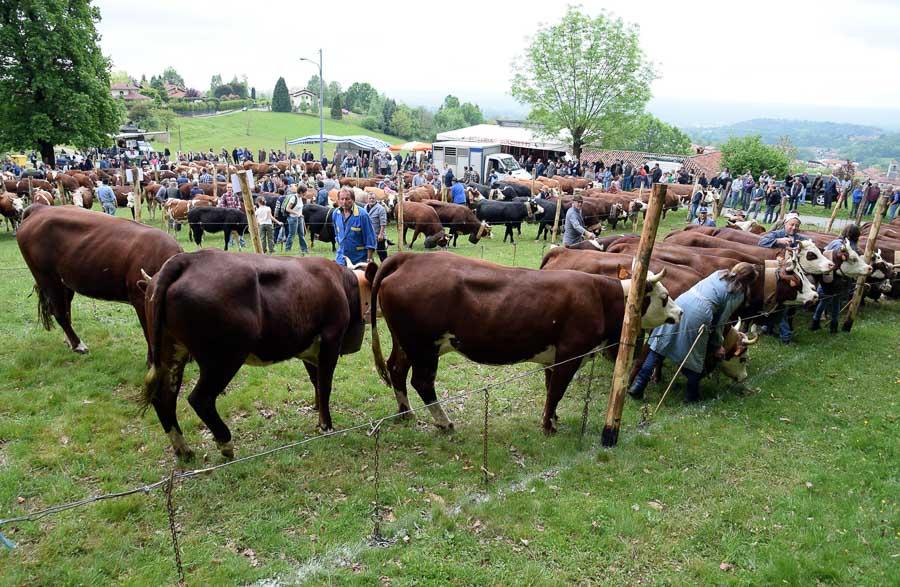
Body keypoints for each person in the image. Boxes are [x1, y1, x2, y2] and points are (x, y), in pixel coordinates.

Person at [629, 262, 759, 402]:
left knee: (659, 346)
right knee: (694, 356)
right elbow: (721, 321)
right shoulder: (737, 294)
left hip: (682, 301)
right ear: (748, 282)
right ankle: (691, 396)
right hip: (701, 313)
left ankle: (638, 386)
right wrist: (717, 345)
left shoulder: (719, 274)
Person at [759, 213, 807, 343]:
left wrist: (801, 247)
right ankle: (785, 336)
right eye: (791, 224)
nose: (794, 228)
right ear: (785, 224)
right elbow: (761, 241)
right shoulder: (777, 234)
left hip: (791, 274)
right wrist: (777, 241)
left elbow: (809, 243)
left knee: (784, 304)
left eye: (797, 225)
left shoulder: (799, 237)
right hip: (775, 273)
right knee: (781, 304)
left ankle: (767, 327)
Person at [811, 224, 861, 334]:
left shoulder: (835, 242)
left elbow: (824, 253)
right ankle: (833, 326)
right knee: (835, 302)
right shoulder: (851, 247)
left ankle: (815, 322)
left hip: (828, 276)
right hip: (840, 278)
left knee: (825, 301)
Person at [333, 188, 376, 266]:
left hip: (358, 260)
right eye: (342, 199)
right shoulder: (336, 213)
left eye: (347, 199)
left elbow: (370, 239)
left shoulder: (362, 215)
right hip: (341, 259)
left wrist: (369, 260)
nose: (344, 202)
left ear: (353, 199)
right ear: (338, 200)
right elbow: (337, 233)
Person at [283, 186, 309, 254]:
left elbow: (299, 208)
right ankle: (287, 249)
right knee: (292, 234)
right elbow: (287, 209)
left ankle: (304, 249)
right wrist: (297, 213)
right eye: (305, 192)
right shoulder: (293, 198)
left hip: (300, 218)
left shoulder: (300, 198)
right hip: (293, 218)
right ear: (301, 192)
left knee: (301, 234)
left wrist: (300, 214)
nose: (306, 194)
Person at [366, 193, 388, 261]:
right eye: (370, 198)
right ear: (367, 199)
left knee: (382, 254)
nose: (371, 200)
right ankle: (372, 268)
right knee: (368, 255)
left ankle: (386, 268)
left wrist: (381, 234)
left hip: (378, 235)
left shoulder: (380, 208)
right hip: (369, 235)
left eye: (373, 198)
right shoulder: (365, 207)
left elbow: (383, 222)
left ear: (376, 199)